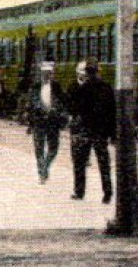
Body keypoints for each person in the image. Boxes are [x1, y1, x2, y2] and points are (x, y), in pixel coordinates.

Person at [68, 58, 117, 203]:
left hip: (84, 131)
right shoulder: (107, 88)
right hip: (100, 132)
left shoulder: (82, 88)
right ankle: (107, 193)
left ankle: (79, 192)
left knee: (80, 163)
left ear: (87, 73)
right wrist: (112, 134)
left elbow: (74, 109)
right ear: (98, 72)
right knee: (104, 164)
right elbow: (112, 112)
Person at [28, 61, 68, 183]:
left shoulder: (57, 86)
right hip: (39, 122)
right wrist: (43, 110)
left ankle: (45, 166)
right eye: (44, 73)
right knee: (39, 149)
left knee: (53, 149)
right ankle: (42, 172)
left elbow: (62, 102)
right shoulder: (35, 86)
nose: (47, 75)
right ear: (41, 74)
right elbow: (33, 102)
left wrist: (58, 112)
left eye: (49, 73)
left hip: (53, 122)